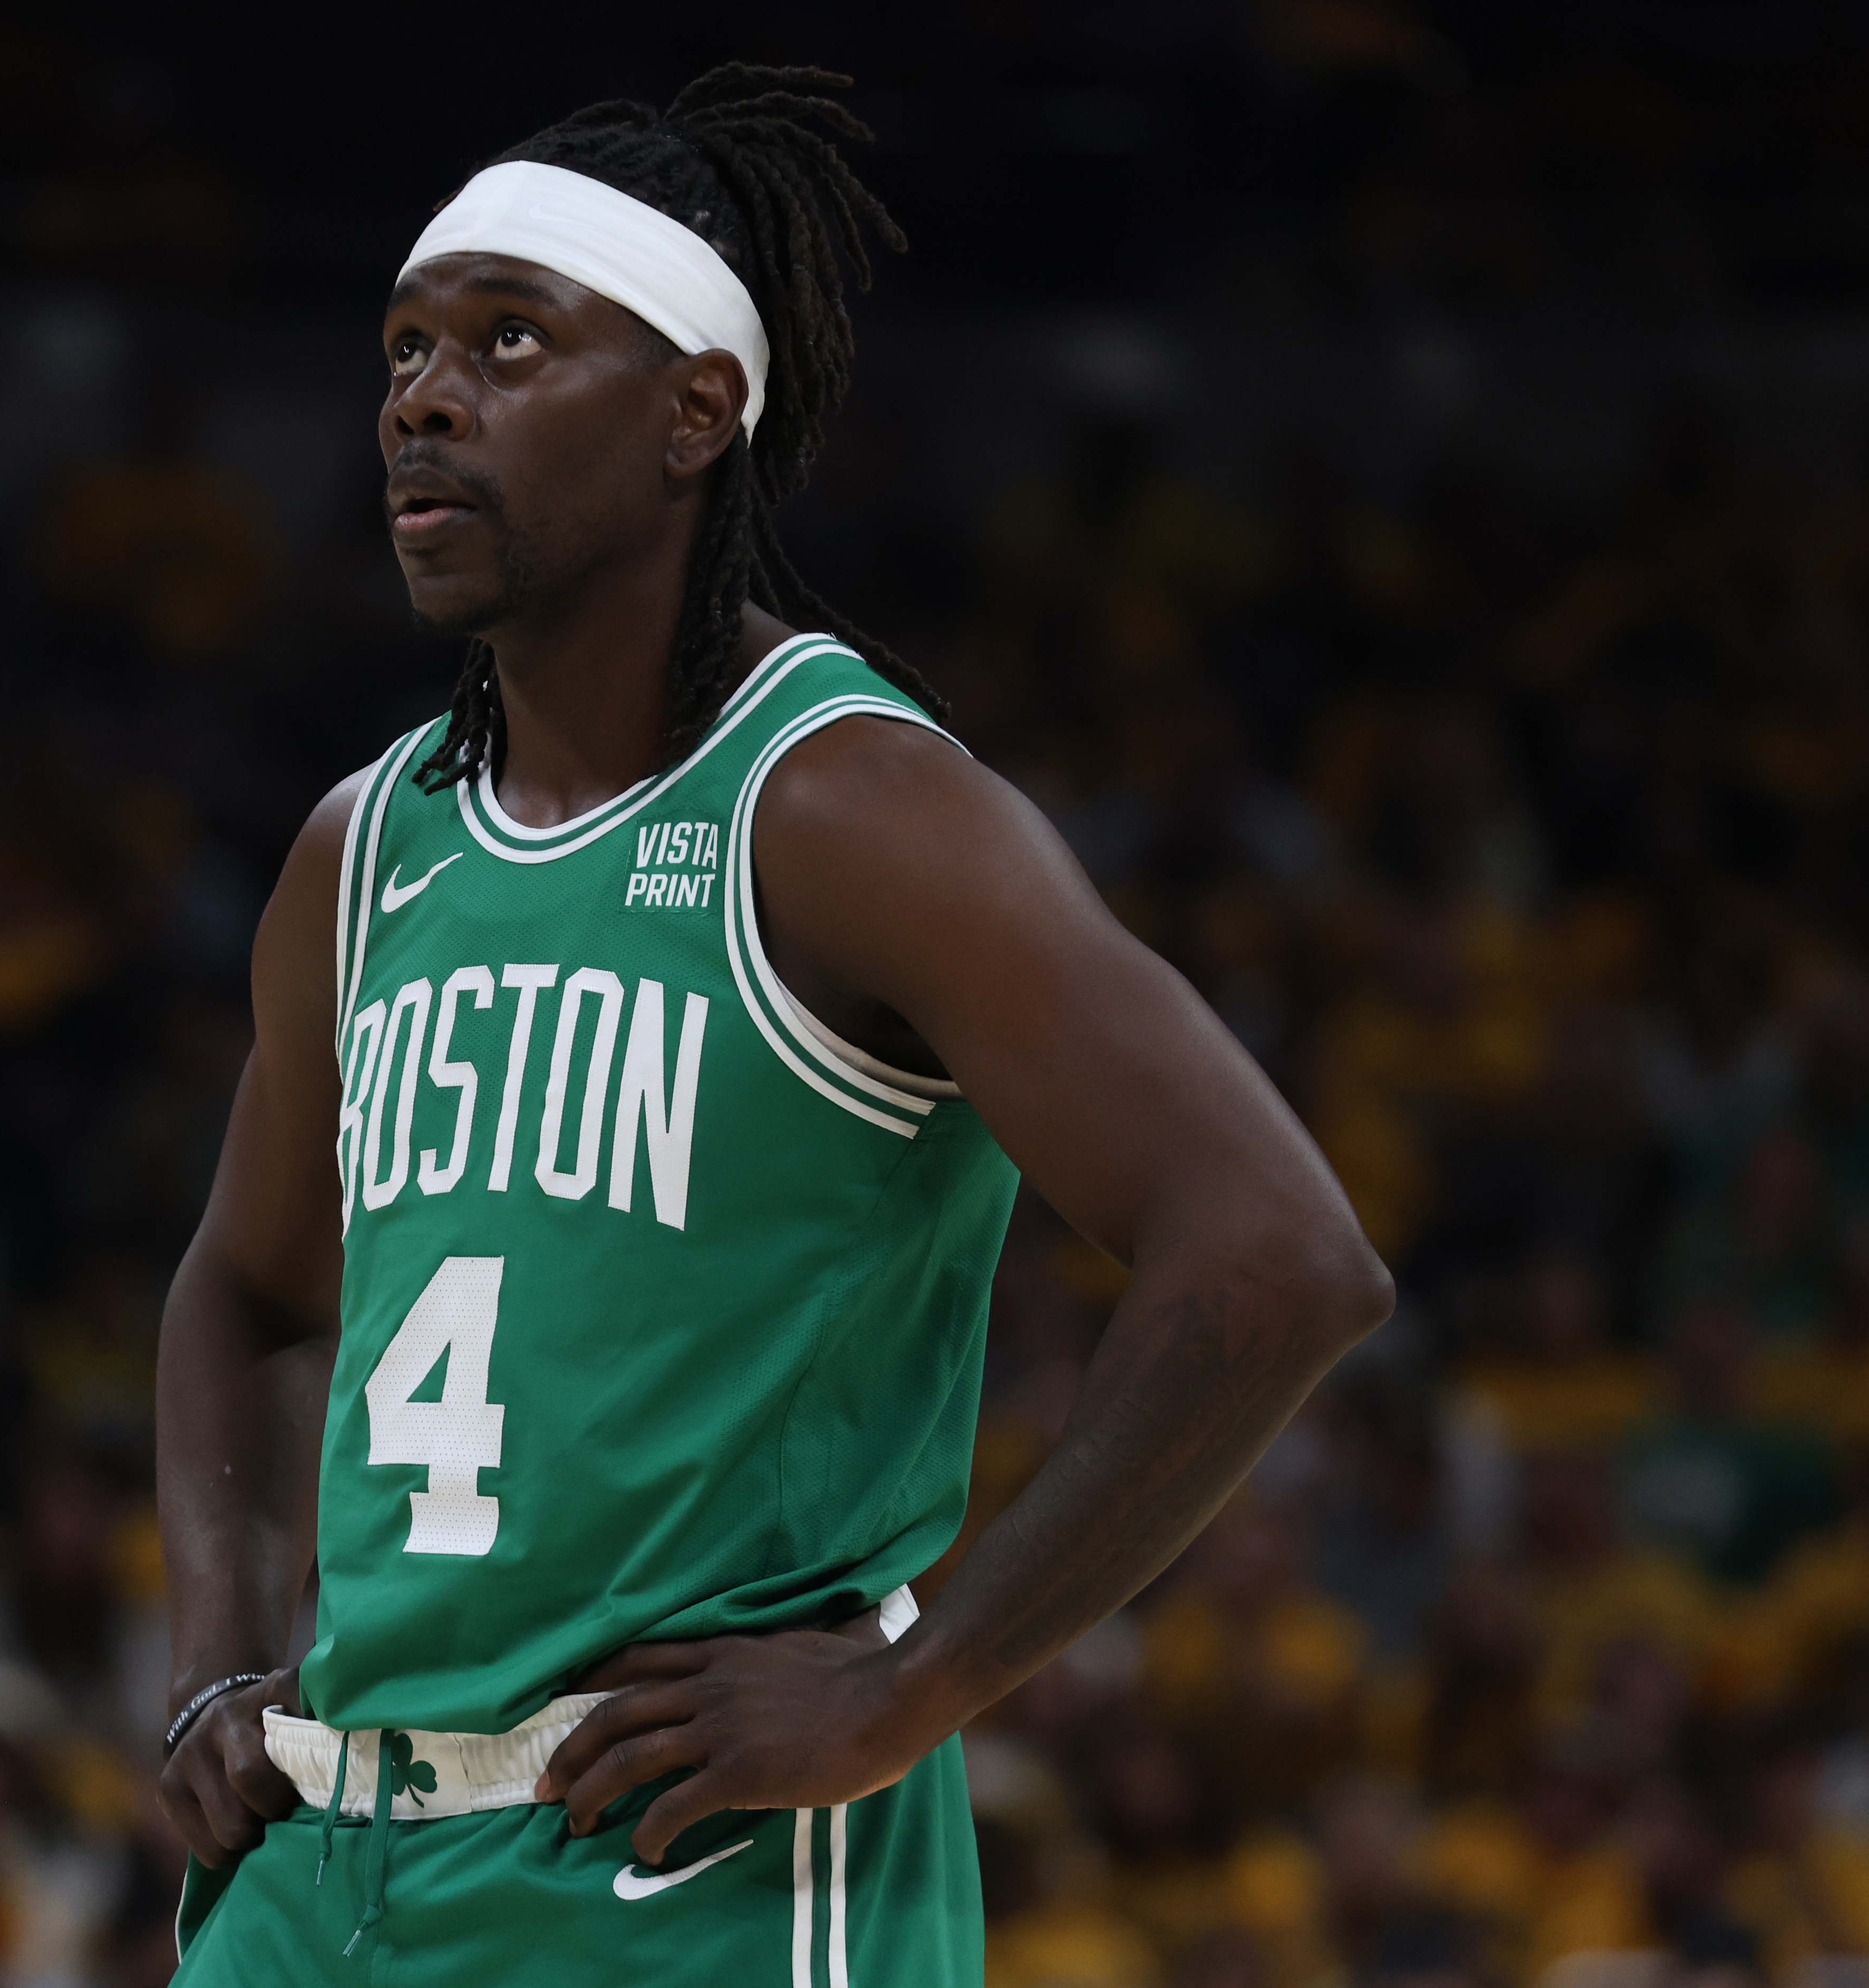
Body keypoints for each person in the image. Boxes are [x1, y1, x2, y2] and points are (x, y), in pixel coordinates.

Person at [152, 64, 1393, 1987]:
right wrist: (219, 1654)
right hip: (330, 1871)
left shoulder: (846, 809)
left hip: (688, 1873)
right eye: (404, 349)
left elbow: (1280, 1253)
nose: (423, 398)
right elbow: (246, 1293)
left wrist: (913, 1685)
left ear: (695, 412)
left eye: (508, 340)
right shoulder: (362, 849)